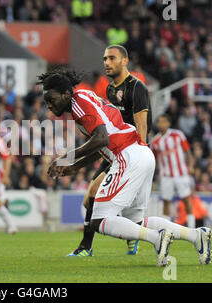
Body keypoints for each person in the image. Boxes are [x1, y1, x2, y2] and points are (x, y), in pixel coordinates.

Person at [37, 68, 212, 266]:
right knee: (136, 222)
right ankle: (197, 236)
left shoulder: (78, 106)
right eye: (46, 102)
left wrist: (65, 157)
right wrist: (76, 166)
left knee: (99, 221)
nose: (49, 106)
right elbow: (103, 142)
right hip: (141, 153)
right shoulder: (85, 96)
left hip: (127, 156)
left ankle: (157, 239)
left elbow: (102, 138)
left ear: (66, 94)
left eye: (51, 99)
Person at [69, 45, 151, 257]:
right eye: (105, 58)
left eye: (112, 58)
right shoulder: (109, 89)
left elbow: (141, 126)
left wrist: (138, 155)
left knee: (105, 198)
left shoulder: (137, 87)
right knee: (90, 198)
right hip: (114, 150)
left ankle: (88, 247)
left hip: (131, 152)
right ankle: (88, 247)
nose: (106, 62)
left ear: (125, 61)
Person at [150, 114, 196, 228]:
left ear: (168, 123)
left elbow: (188, 152)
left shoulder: (177, 135)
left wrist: (190, 166)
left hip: (181, 174)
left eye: (164, 121)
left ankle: (192, 227)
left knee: (186, 199)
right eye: (159, 122)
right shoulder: (155, 141)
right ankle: (167, 229)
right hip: (166, 175)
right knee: (166, 201)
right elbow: (153, 161)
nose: (161, 124)